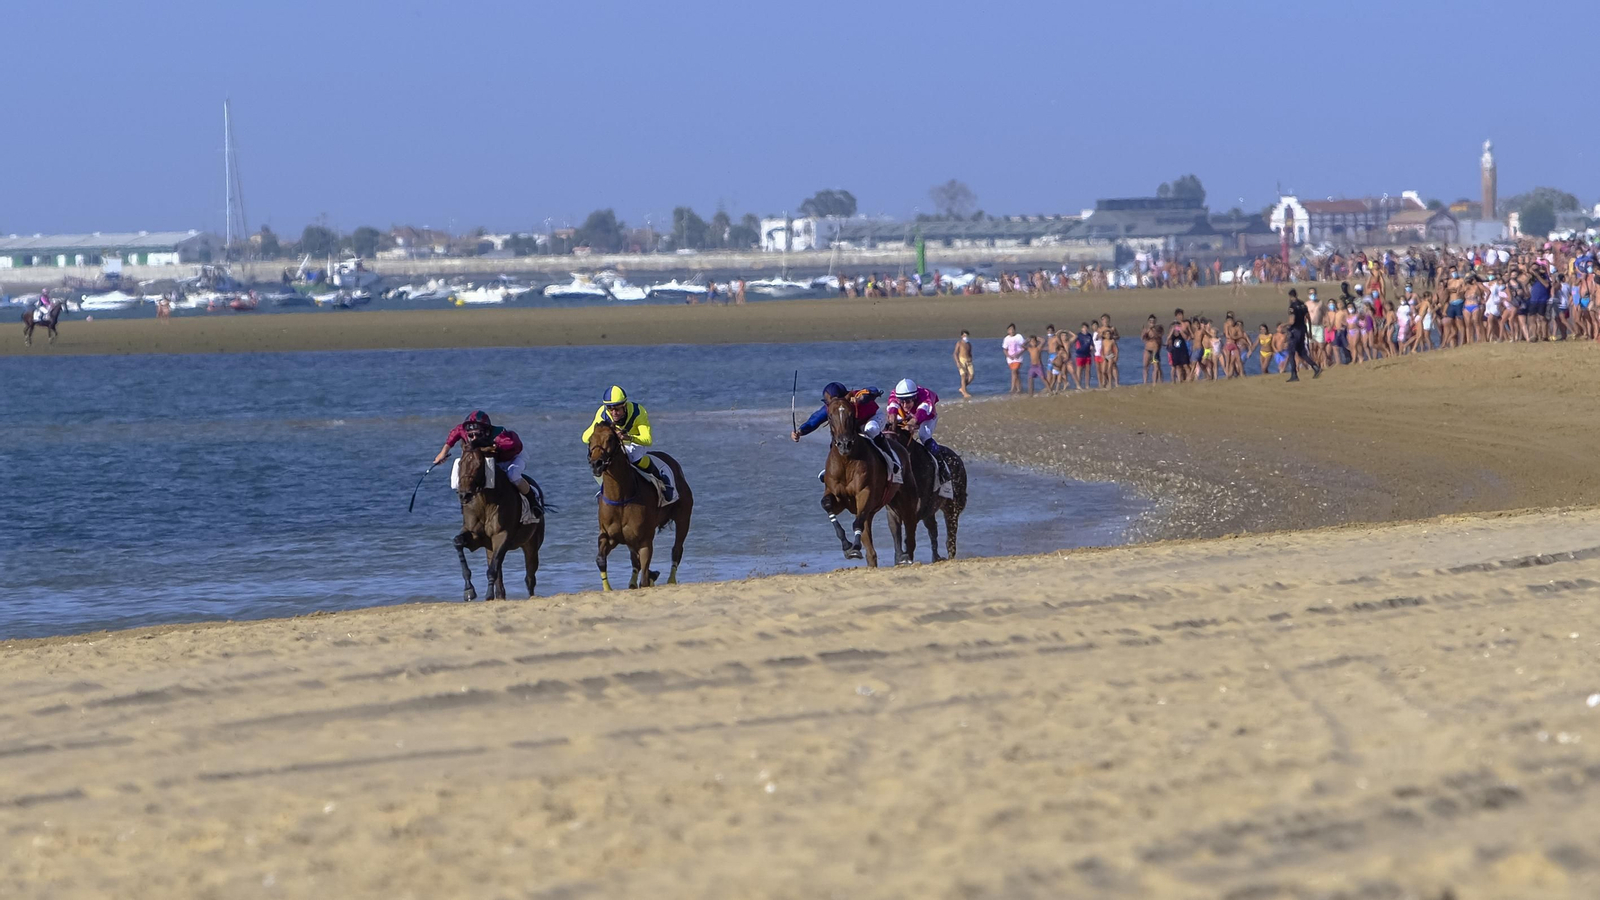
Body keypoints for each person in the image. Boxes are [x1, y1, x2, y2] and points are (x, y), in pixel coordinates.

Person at [431, 410, 539, 524]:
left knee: (512, 475)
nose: (473, 438)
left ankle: (533, 502)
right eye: (470, 435)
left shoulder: (500, 436)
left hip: (512, 458)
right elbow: (454, 434)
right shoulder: (464, 430)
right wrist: (442, 453)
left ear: (487, 432)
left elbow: (513, 444)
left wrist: (490, 444)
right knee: (463, 469)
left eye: (477, 435)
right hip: (492, 458)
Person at [583, 385, 673, 502]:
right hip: (615, 444)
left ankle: (661, 480)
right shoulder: (602, 413)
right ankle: (604, 488)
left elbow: (648, 439)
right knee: (598, 459)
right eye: (610, 409)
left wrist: (629, 438)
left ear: (625, 406)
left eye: (617, 409)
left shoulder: (637, 412)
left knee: (632, 456)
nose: (614, 413)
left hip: (635, 442)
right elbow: (585, 438)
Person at [888, 378, 949, 493]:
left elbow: (920, 414)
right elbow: (892, 409)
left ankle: (942, 466)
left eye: (908, 401)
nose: (905, 405)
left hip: (927, 416)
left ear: (915, 398)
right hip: (907, 416)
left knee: (924, 435)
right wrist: (892, 418)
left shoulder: (925, 398)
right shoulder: (895, 396)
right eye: (902, 402)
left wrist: (912, 423)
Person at [1283, 289, 1321, 382]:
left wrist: (1284, 325)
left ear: (1290, 296)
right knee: (1301, 352)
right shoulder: (1303, 304)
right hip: (1302, 329)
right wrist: (1309, 331)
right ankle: (1315, 366)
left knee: (1291, 352)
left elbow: (1292, 321)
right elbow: (1308, 318)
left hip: (1295, 331)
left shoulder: (1292, 307)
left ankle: (1294, 374)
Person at [1002, 324, 1026, 393]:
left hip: (1018, 358)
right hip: (1010, 359)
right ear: (1008, 331)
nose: (1011, 331)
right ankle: (1019, 388)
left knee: (1014, 371)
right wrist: (1008, 356)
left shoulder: (1019, 337)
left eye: (1013, 329)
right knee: (1016, 373)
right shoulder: (1006, 338)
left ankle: (1012, 388)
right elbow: (1004, 349)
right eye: (1010, 330)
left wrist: (1018, 354)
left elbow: (1024, 347)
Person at [952, 330, 974, 398]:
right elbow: (955, 353)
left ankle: (962, 388)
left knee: (971, 376)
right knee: (963, 375)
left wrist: (970, 359)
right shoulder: (959, 343)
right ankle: (965, 393)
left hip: (969, 361)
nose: (965, 337)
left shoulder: (969, 344)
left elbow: (969, 353)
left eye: (967, 336)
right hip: (962, 360)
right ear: (962, 336)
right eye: (964, 335)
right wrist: (958, 363)